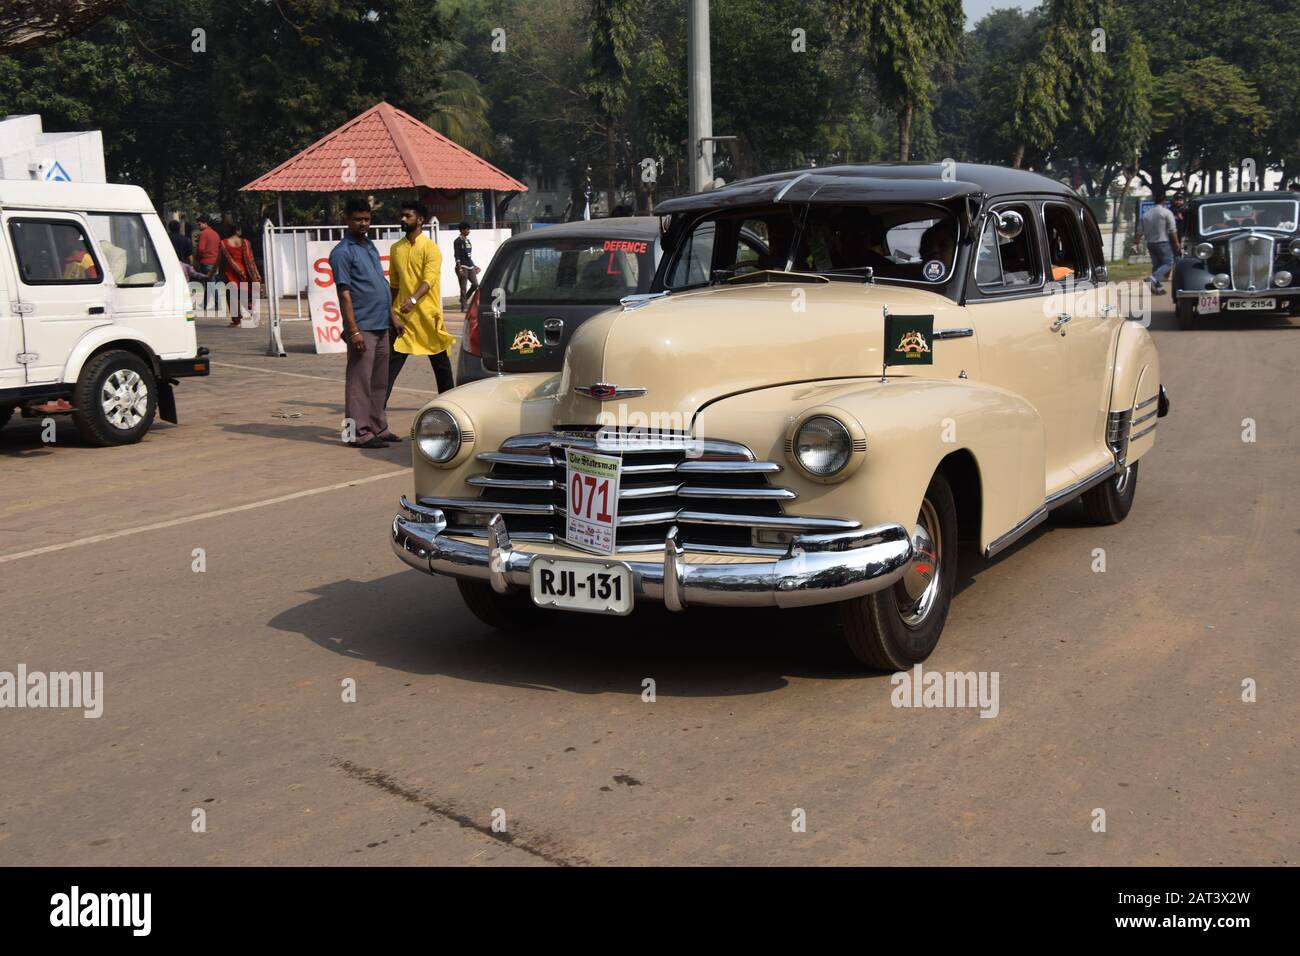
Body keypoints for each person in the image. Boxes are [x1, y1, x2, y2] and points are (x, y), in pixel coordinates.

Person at [330, 198, 396, 449]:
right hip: (363, 327)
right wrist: (353, 329)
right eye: (358, 219)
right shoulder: (341, 252)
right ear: (347, 219)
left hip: (381, 325)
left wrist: (392, 317)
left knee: (380, 381)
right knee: (359, 382)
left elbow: (381, 284)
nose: (363, 224)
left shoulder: (370, 247)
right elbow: (344, 294)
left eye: (367, 219)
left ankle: (379, 426)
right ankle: (357, 433)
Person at [386, 200, 455, 407]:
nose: (403, 219)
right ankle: (376, 415)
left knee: (442, 367)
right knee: (389, 367)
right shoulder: (396, 248)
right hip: (403, 320)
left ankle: (450, 407)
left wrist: (414, 299)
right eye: (402, 215)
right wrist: (390, 311)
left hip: (428, 318)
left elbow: (429, 279)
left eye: (408, 216)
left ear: (420, 220)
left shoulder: (431, 248)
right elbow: (395, 284)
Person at [218, 223, 261, 327]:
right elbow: (251, 259)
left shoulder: (223, 243)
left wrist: (215, 272)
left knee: (232, 296)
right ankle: (253, 315)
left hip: (231, 272)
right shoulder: (245, 242)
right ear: (237, 231)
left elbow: (220, 259)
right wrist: (255, 274)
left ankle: (237, 320)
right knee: (245, 294)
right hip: (245, 272)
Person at [1141, 199, 1180, 295]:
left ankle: (1159, 288)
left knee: (1157, 265)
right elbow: (1172, 229)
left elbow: (1139, 229)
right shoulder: (1166, 212)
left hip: (1150, 243)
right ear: (1163, 201)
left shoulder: (1146, 214)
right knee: (1169, 263)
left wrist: (1136, 241)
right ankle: (1153, 278)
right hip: (1163, 242)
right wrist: (1176, 243)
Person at [452, 221, 480, 310]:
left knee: (475, 284)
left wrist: (474, 266)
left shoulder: (467, 240)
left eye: (469, 229)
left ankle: (463, 299)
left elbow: (468, 255)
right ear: (462, 230)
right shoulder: (457, 241)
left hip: (470, 265)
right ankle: (464, 306)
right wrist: (459, 267)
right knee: (463, 287)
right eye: (467, 229)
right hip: (462, 266)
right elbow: (457, 255)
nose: (469, 231)